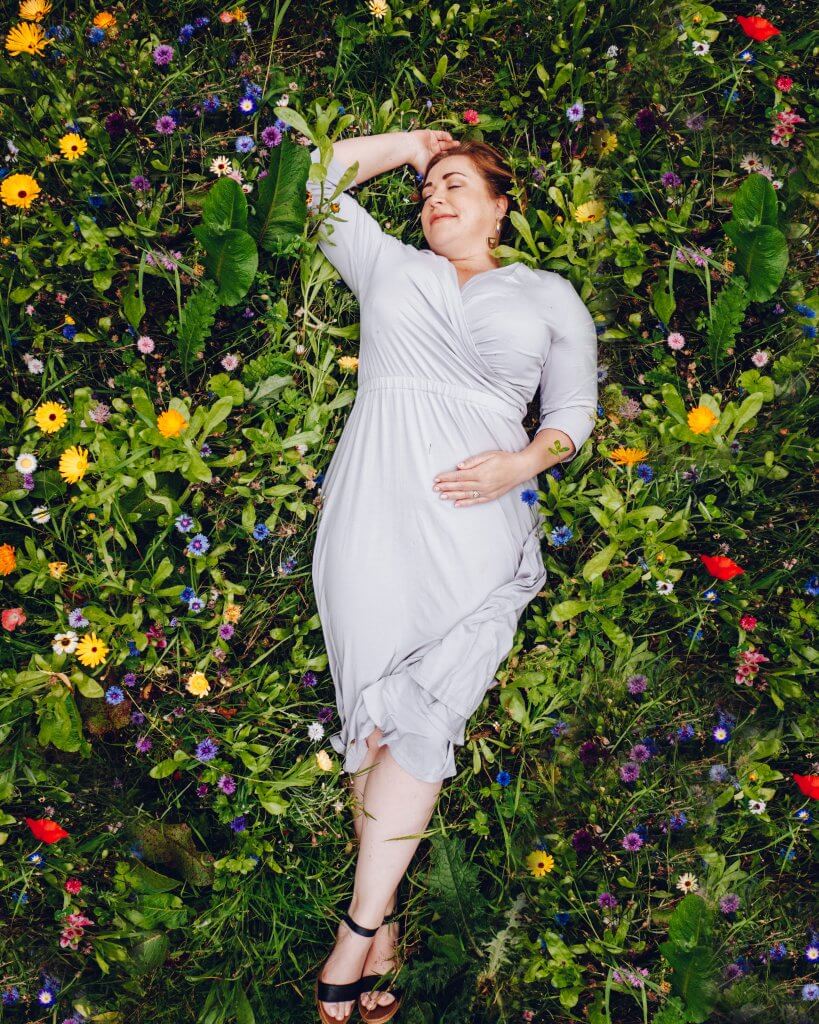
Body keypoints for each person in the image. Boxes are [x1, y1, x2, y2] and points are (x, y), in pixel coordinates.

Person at [308, 128, 598, 1022]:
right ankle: (383, 927)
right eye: (428, 188)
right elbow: (313, 178)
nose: (435, 197)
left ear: (500, 208)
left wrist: (523, 463)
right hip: (369, 516)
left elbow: (574, 409)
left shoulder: (545, 293)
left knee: (427, 710)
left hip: (474, 518)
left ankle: (358, 930)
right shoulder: (388, 267)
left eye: (457, 184)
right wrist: (411, 145)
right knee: (372, 720)